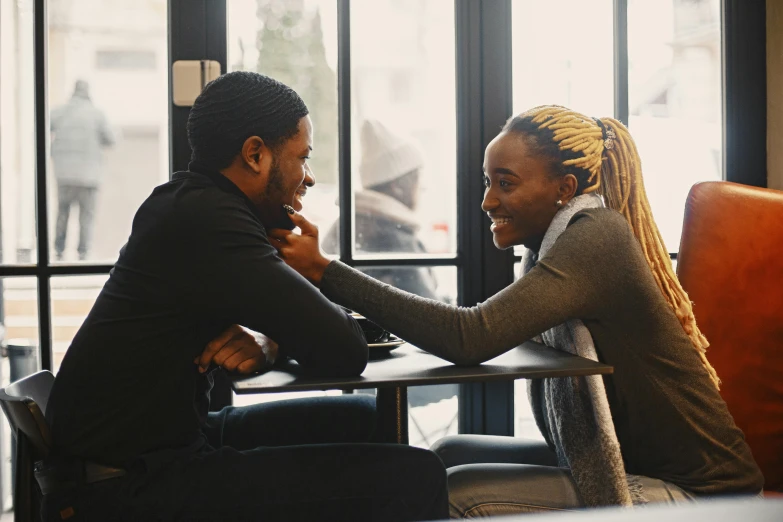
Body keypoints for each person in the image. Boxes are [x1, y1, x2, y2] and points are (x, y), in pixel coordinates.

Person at [271, 105, 765, 517]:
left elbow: (471, 336)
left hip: (701, 496)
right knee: (442, 457)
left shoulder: (596, 237)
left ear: (565, 189)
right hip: (634, 463)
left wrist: (327, 271)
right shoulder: (550, 247)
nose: (488, 200)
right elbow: (481, 328)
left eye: (505, 183)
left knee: (455, 495)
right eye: (488, 182)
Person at [43, 72, 448, 522]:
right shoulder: (213, 222)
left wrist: (270, 340)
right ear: (256, 154)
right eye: (303, 158)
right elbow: (344, 349)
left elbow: (311, 331)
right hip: (130, 486)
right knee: (417, 475)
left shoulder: (188, 202)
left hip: (154, 450)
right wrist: (307, 286)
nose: (309, 178)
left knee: (362, 416)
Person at [323, 119, 439, 299]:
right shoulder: (397, 238)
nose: (422, 187)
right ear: (397, 186)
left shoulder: (342, 226)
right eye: (416, 178)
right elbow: (431, 315)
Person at [50, 80, 116, 261]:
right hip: (90, 175)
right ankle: (83, 252)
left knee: (62, 212)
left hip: (64, 173)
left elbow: (41, 126)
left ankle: (59, 250)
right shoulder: (97, 114)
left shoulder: (60, 112)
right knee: (86, 215)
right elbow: (111, 139)